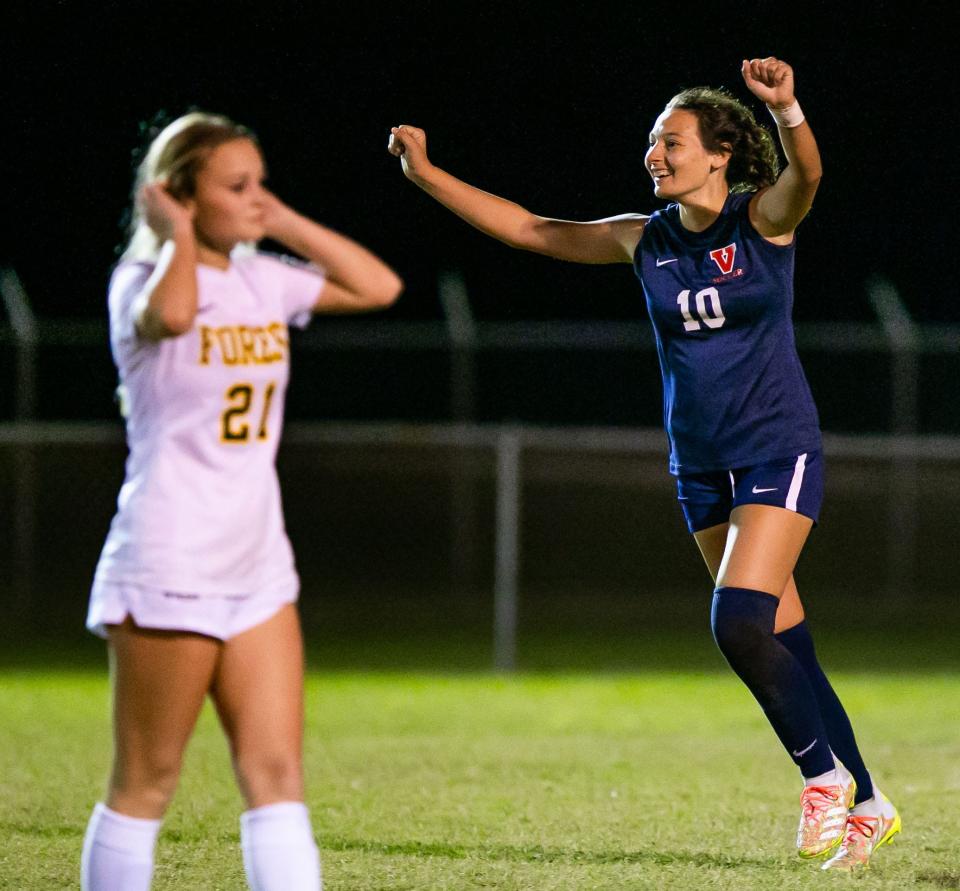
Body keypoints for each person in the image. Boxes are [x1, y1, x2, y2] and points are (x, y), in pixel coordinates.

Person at [388, 58, 899, 872]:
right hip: (699, 465)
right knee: (784, 640)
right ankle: (868, 799)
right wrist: (425, 174)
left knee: (736, 620)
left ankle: (822, 779)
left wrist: (789, 108)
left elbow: (807, 172)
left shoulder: (760, 222)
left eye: (670, 141)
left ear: (719, 154)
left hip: (776, 447)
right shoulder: (644, 238)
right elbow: (527, 227)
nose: (654, 153)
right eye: (652, 141)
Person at [81, 111, 403, 891]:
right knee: (146, 783)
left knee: (277, 774)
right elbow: (179, 314)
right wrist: (176, 235)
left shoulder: (263, 275)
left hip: (258, 558)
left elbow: (378, 285)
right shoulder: (141, 281)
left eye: (261, 182)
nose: (255, 199)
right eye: (237, 187)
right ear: (178, 197)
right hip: (170, 555)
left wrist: (281, 217)